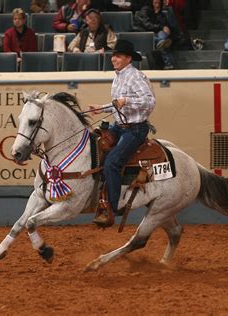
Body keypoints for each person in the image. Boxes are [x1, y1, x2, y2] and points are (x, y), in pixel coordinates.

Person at [88, 39, 156, 227]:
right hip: (119, 126)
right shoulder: (118, 76)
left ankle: (113, 206)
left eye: (117, 56)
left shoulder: (136, 76)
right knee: (95, 146)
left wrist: (127, 101)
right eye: (113, 56)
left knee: (112, 162)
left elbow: (149, 102)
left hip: (135, 129)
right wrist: (101, 108)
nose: (113, 59)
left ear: (128, 58)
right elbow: (118, 105)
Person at [134, 0, 175, 69]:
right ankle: (168, 63)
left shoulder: (160, 12)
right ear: (151, 3)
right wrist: (162, 27)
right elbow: (147, 25)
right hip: (144, 32)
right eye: (155, 3)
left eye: (159, 3)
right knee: (162, 40)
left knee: (162, 36)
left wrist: (158, 13)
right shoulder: (145, 10)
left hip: (156, 32)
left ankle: (161, 42)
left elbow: (164, 24)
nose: (157, 5)